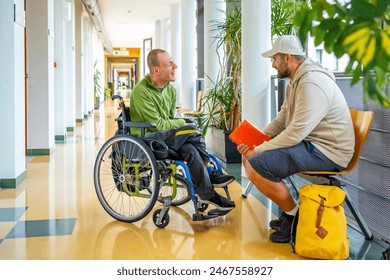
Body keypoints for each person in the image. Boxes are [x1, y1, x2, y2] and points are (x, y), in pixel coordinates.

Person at [237, 35, 355, 243]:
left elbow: (295, 133)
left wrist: (260, 149)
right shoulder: (296, 82)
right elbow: (283, 121)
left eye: (274, 59)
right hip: (312, 145)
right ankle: (289, 214)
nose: (273, 64)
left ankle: (295, 218)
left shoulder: (312, 82)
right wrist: (256, 140)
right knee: (251, 158)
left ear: (288, 57)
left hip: (328, 153)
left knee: (255, 164)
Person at [130, 48, 235, 211]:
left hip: (166, 136)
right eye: (170, 63)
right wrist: (182, 123)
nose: (176, 66)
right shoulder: (141, 91)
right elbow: (157, 124)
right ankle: (209, 169)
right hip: (149, 138)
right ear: (156, 70)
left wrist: (179, 122)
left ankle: (208, 195)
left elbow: (170, 120)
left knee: (191, 150)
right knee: (191, 128)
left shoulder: (170, 90)